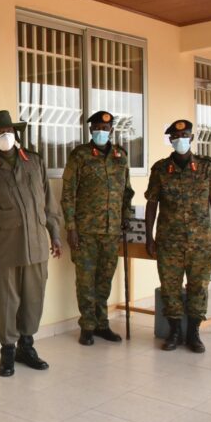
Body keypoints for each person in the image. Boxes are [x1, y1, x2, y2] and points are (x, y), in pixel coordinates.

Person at [0, 110, 63, 377]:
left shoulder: (35, 162)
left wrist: (55, 234)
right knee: (7, 301)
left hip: (37, 245)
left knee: (34, 298)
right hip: (4, 246)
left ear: (16, 133)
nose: (4, 136)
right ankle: (7, 351)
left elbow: (49, 204)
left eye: (7, 131)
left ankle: (26, 347)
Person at [145, 119, 211, 353]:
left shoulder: (206, 167)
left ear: (191, 138)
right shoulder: (160, 169)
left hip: (200, 240)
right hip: (169, 240)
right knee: (170, 286)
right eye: (176, 137)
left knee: (198, 286)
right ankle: (174, 331)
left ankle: (194, 333)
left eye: (185, 135)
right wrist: (149, 236)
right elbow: (152, 203)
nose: (181, 140)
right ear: (171, 140)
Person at [61, 111, 134, 346]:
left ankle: (102, 324)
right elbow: (68, 193)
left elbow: (127, 192)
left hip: (112, 231)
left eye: (106, 128)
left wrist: (126, 217)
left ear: (112, 129)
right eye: (97, 128)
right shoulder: (79, 155)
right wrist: (71, 227)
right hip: (85, 230)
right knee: (85, 280)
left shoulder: (120, 156)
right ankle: (87, 326)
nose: (101, 131)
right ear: (90, 129)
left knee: (104, 279)